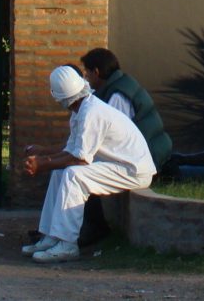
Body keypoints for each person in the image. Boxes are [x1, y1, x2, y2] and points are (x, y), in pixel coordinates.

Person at [21, 66, 156, 264]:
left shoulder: (91, 113)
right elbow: (70, 151)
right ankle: (51, 236)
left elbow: (80, 159)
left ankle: (67, 244)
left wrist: (42, 164)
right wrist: (44, 156)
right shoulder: (82, 110)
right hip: (118, 165)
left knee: (74, 175)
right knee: (61, 172)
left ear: (58, 97)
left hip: (134, 170)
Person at [78, 47, 172, 245]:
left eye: (86, 73)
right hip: (149, 150)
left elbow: (112, 136)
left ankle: (93, 227)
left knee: (81, 171)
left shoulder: (117, 97)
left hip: (145, 158)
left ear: (96, 72)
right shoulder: (120, 85)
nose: (85, 78)